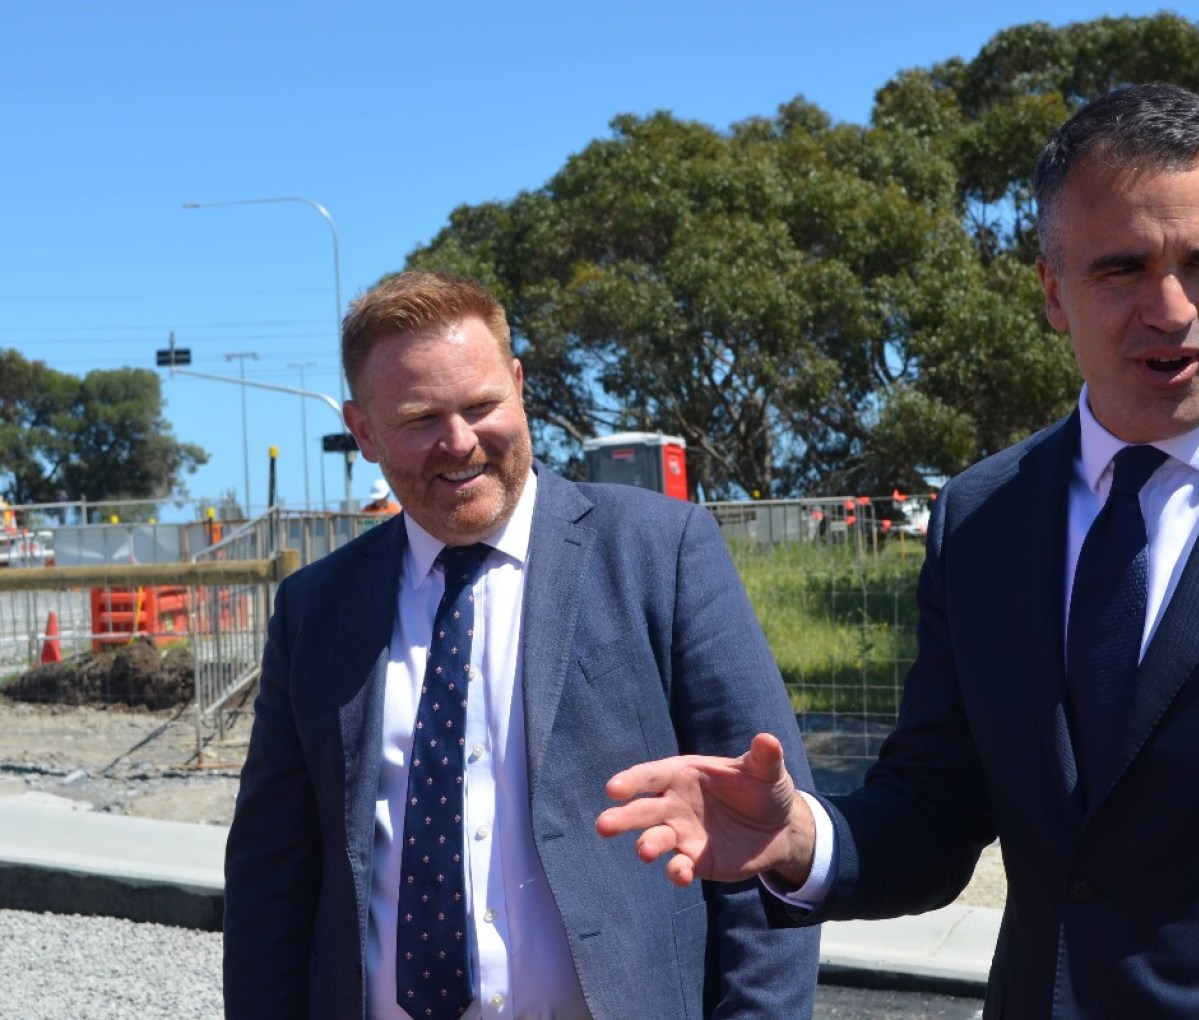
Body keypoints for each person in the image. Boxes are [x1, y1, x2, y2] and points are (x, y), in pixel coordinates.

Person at [598, 83, 1199, 1017]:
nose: (1171, 310)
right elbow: (933, 810)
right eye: (1122, 269)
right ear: (1051, 291)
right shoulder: (982, 517)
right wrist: (800, 836)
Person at [223, 270, 820, 1019]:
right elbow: (269, 883)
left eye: (481, 405)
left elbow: (767, 840)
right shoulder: (316, 610)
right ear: (364, 429)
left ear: (518, 383)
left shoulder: (658, 553)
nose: (460, 442)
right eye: (419, 418)